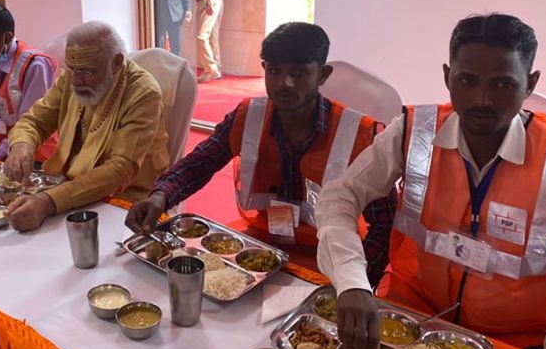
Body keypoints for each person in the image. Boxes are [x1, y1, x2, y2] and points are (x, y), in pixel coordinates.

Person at [316, 13, 546, 349]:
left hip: (515, 344)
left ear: (530, 83)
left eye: (502, 85)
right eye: (467, 80)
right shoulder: (414, 130)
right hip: (410, 320)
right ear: (448, 76)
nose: (481, 100)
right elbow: (339, 196)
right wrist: (352, 281)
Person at [126, 22, 397, 284]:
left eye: (299, 72)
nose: (285, 83)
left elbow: (384, 226)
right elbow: (198, 164)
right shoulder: (249, 116)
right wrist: (160, 197)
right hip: (259, 245)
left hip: (332, 257)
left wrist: (355, 283)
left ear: (323, 75)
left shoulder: (362, 136)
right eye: (275, 70)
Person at [3, 21, 169, 233]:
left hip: (124, 201)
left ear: (116, 63)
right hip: (66, 187)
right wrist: (21, 145)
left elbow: (119, 170)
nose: (75, 81)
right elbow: (35, 120)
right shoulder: (71, 78)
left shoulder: (143, 93)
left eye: (86, 72)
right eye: (70, 69)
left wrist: (49, 202)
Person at [0, 4, 54, 160]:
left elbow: (27, 125)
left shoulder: (34, 66)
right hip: (2, 151)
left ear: (6, 37)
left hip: (33, 155)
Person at [189, 0, 222, 83]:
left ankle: (211, 68)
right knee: (211, 35)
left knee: (201, 36)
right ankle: (215, 66)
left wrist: (208, 1)